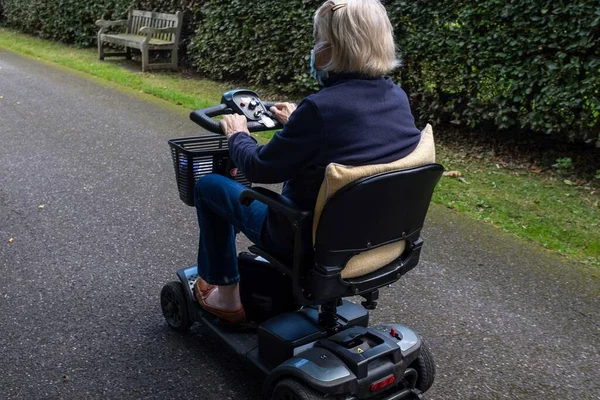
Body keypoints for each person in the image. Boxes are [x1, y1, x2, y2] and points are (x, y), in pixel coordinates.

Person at [193, 0, 422, 324]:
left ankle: (227, 297)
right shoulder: (396, 97)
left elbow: (260, 167)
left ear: (332, 49)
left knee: (209, 186)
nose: (315, 50)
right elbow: (351, 137)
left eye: (319, 41)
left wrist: (237, 135)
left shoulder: (319, 109)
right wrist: (299, 119)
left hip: (302, 236)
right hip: (376, 237)